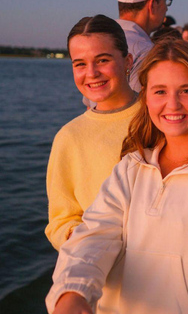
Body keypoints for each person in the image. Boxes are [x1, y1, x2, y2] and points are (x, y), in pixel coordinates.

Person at [45, 39, 188, 314]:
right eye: (160, 91)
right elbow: (95, 236)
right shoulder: (131, 167)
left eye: (186, 90)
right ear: (146, 98)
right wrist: (72, 292)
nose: (172, 104)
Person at [45, 15, 140, 251]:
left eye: (103, 60)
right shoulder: (69, 137)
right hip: (110, 278)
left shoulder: (161, 114)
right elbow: (60, 221)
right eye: (80, 64)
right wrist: (86, 240)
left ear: (128, 61)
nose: (92, 73)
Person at [83, 0, 172, 109]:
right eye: (166, 0)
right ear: (152, 4)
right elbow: (141, 112)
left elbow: (90, 106)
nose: (166, 8)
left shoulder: (97, 42)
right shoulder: (147, 52)